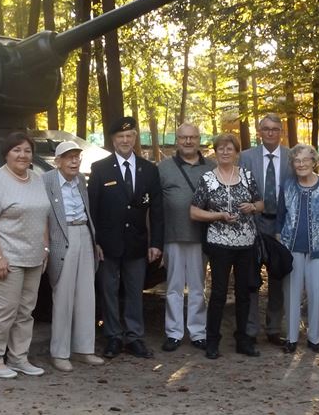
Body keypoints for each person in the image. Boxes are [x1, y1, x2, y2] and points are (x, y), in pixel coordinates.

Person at [0, 131, 51, 379]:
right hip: (6, 258)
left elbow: (42, 215)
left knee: (25, 311)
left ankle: (18, 358)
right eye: (16, 150)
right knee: (3, 310)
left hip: (33, 257)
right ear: (6, 154)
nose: (22, 155)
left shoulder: (36, 179)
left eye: (27, 150)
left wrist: (45, 248)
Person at [88, 116, 164, 359]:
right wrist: (95, 241)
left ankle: (134, 337)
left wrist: (156, 243)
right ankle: (112, 336)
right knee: (108, 290)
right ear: (113, 140)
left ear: (134, 138)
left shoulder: (149, 169)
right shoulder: (100, 169)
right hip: (108, 244)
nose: (125, 140)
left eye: (129, 136)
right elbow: (93, 209)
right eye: (120, 137)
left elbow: (158, 210)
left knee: (134, 291)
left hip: (137, 242)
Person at [191, 133, 264, 359]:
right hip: (219, 244)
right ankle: (213, 341)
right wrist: (218, 215)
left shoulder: (247, 176)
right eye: (220, 148)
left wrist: (252, 207)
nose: (225, 152)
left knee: (244, 293)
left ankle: (243, 339)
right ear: (215, 152)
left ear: (236, 152)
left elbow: (261, 203)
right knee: (219, 293)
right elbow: (194, 211)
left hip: (246, 244)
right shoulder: (208, 179)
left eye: (229, 149)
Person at [43, 140, 105, 372]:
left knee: (87, 295)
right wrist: (46, 245)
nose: (74, 161)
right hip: (62, 236)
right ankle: (59, 353)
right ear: (58, 161)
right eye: (69, 157)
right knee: (63, 295)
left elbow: (87, 212)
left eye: (77, 156)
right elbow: (43, 216)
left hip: (84, 235)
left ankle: (84, 349)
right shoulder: (47, 180)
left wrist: (94, 240)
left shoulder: (80, 180)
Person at [275, 144, 319, 354]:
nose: (301, 164)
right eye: (297, 161)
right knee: (292, 294)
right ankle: (292, 338)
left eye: (305, 160)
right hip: (290, 249)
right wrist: (279, 247)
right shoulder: (287, 185)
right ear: (293, 164)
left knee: (316, 293)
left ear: (314, 162)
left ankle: (314, 338)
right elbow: (280, 217)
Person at [158, 123, 215, 352]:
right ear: (177, 140)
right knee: (172, 287)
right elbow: (156, 205)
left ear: (199, 139)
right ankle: (173, 333)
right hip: (173, 235)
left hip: (201, 236)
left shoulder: (211, 167)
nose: (188, 142)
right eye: (183, 138)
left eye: (192, 137)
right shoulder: (163, 168)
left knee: (197, 287)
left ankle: (198, 332)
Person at [239, 113, 293, 345]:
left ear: (281, 132)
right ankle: (249, 330)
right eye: (266, 129)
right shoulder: (246, 157)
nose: (270, 132)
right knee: (250, 277)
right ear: (259, 131)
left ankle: (273, 328)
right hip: (252, 223)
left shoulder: (293, 157)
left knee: (278, 277)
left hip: (281, 224)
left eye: (275, 129)